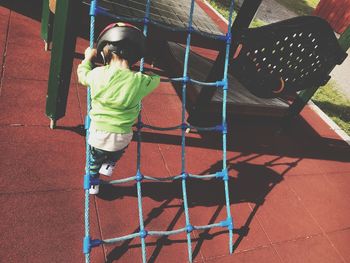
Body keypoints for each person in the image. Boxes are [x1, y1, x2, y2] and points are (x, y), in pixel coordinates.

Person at [77, 22, 160, 194]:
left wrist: (87, 58)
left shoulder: (97, 73)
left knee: (93, 160)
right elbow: (155, 80)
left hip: (98, 133)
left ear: (104, 53)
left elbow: (83, 76)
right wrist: (152, 75)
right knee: (117, 150)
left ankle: (93, 183)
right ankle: (110, 164)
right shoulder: (139, 80)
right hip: (123, 135)